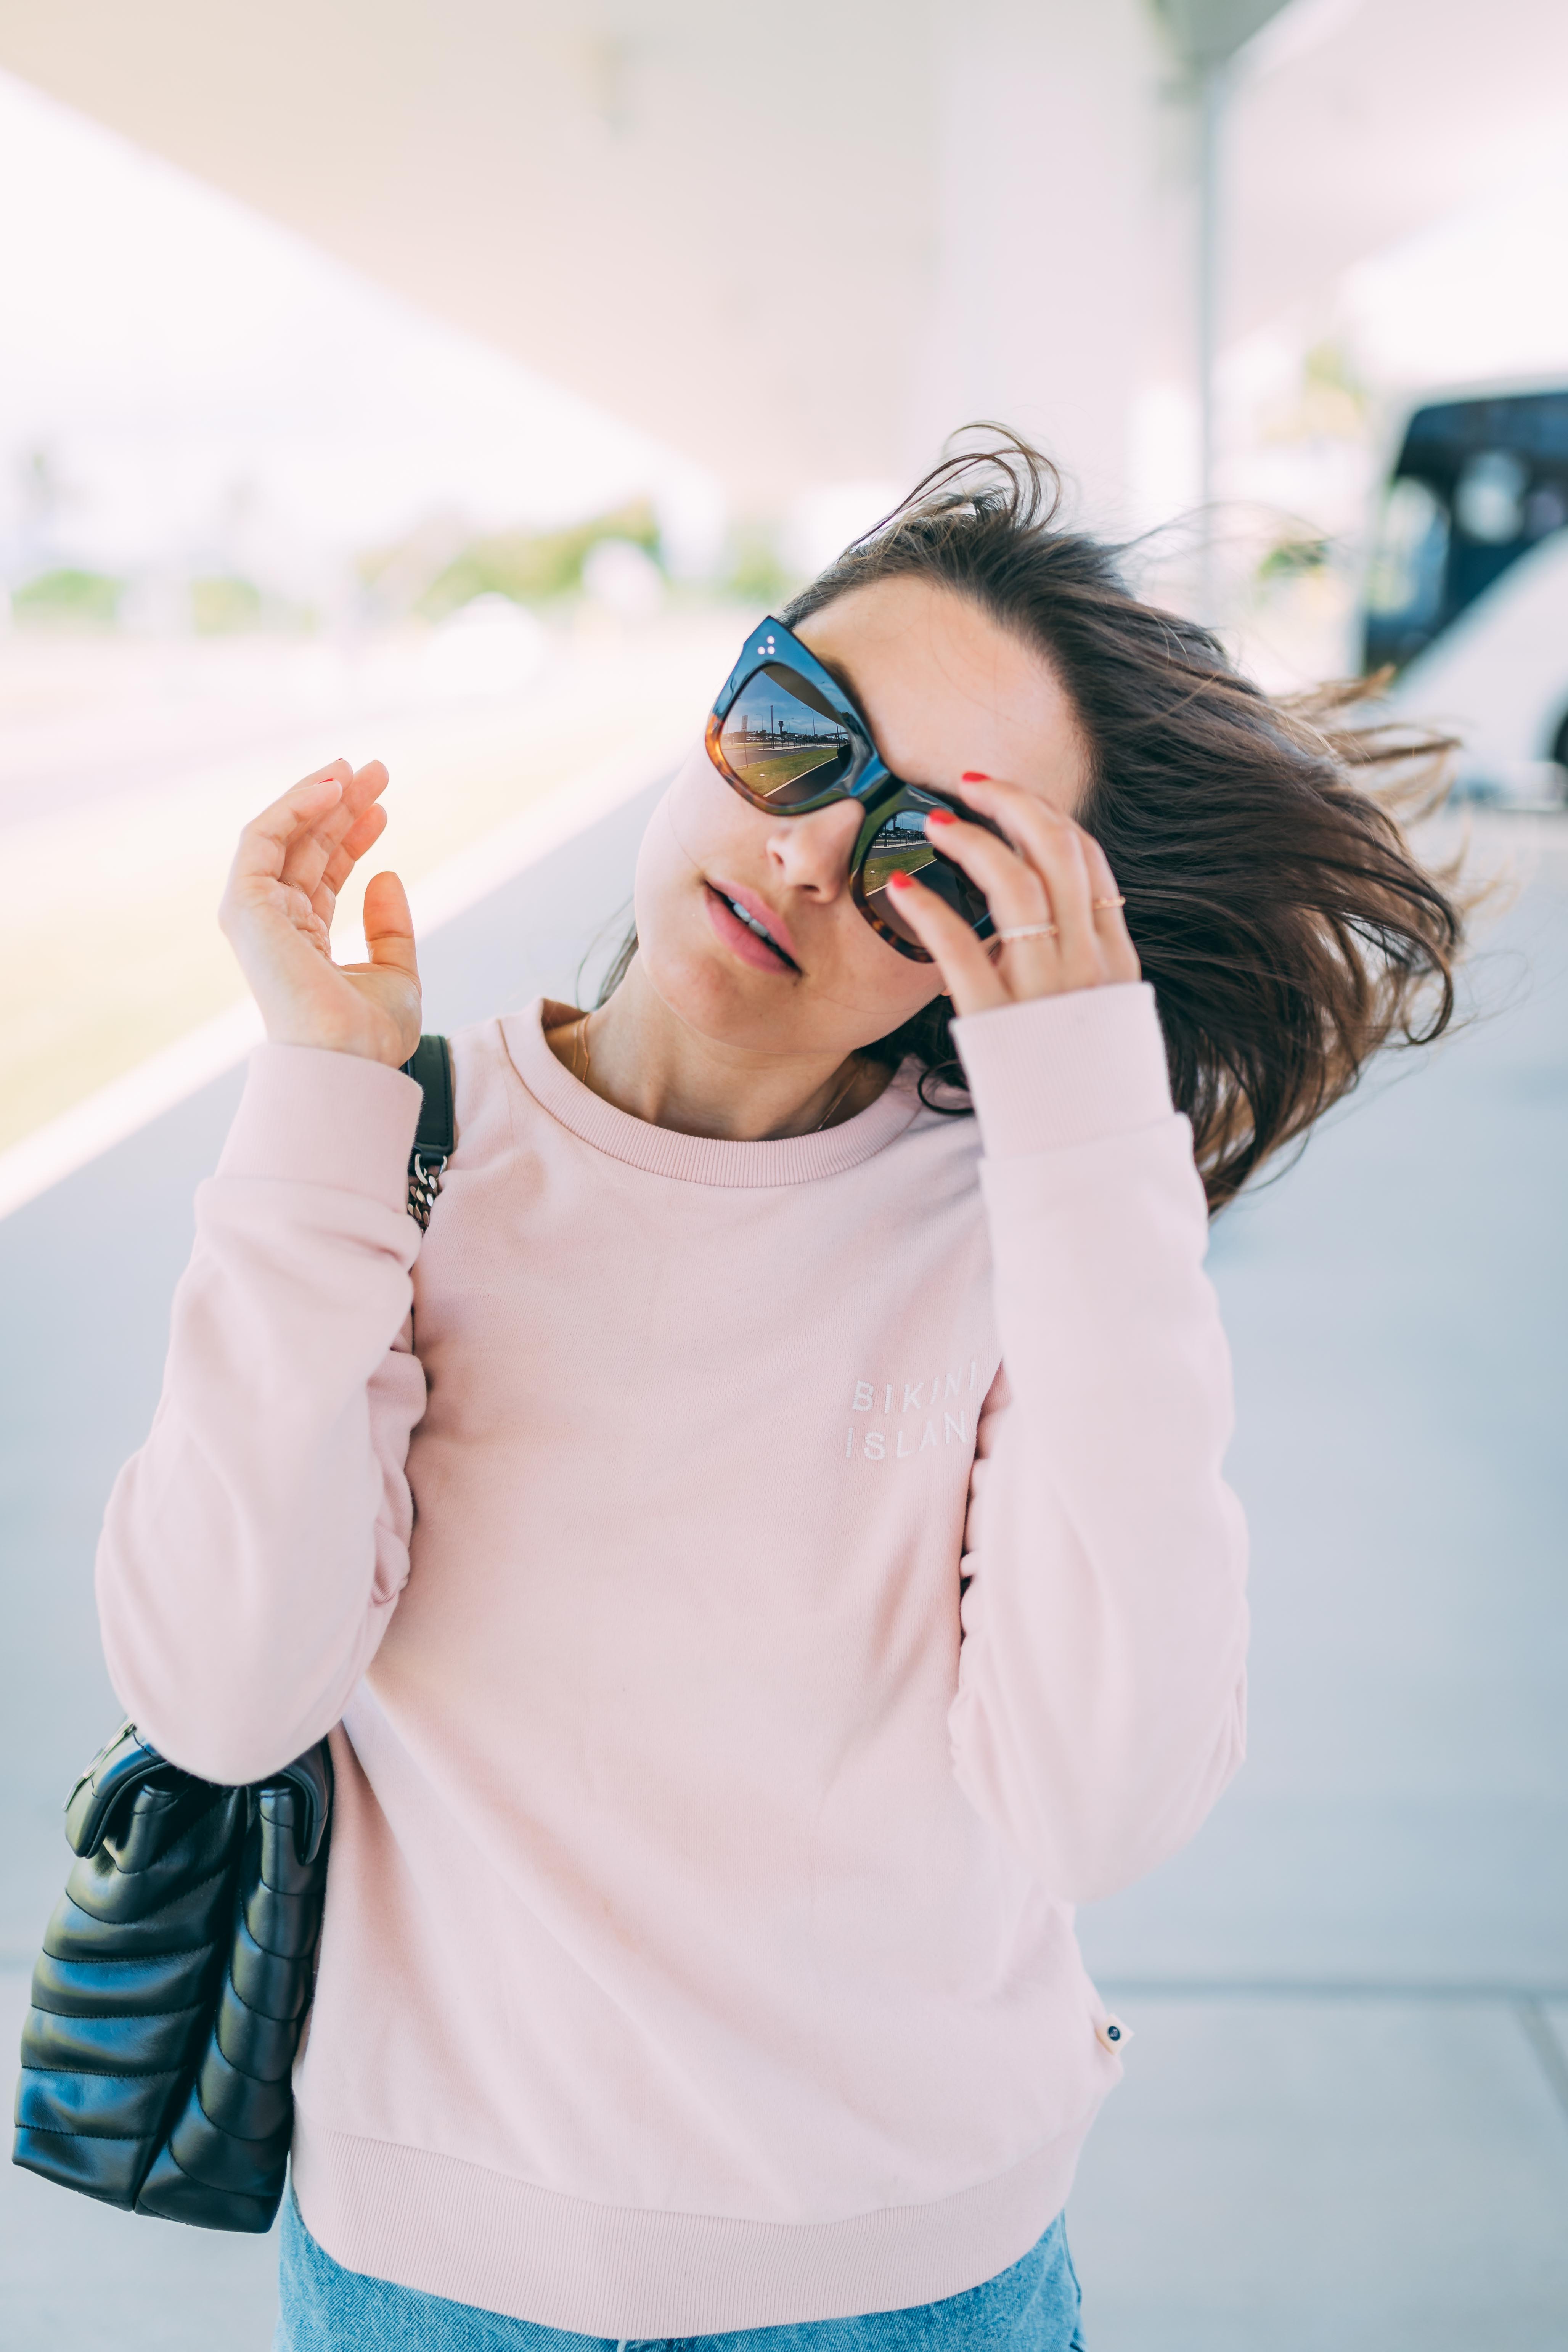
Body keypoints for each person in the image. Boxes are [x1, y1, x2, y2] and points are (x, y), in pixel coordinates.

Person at [95, 439, 1461, 2350]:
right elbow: (224, 1696)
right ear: (718, 701)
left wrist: (1082, 1129)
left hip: (916, 2289)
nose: (809, 852)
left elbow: (1099, 1800)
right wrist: (317, 1107)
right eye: (794, 729)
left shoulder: (1035, 1232)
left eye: (928, 859)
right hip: (424, 2287)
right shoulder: (385, 1152)